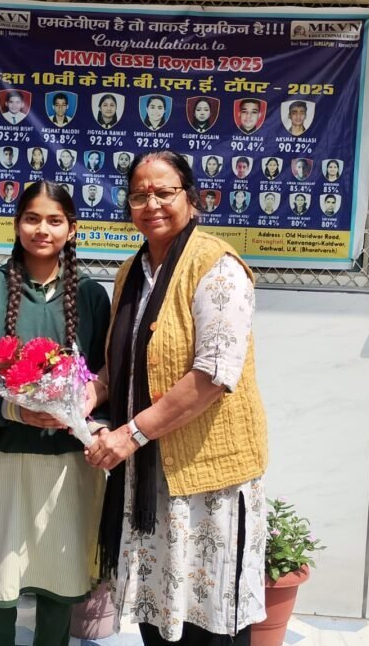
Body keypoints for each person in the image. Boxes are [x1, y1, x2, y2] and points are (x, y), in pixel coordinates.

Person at [83, 150, 268, 645]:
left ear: (191, 197)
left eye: (164, 192)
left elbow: (213, 374)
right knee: (160, 616)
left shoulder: (217, 267)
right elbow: (123, 361)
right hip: (150, 480)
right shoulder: (130, 272)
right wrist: (85, 394)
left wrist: (130, 434)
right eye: (139, 195)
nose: (152, 204)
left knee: (209, 623)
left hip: (207, 481)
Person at [0, 180, 111, 646]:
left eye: (55, 220)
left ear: (72, 229)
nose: (43, 229)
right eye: (32, 219)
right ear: (16, 224)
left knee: (61, 586)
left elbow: (106, 377)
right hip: (0, 460)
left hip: (68, 465)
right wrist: (17, 411)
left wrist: (83, 409)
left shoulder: (90, 295)